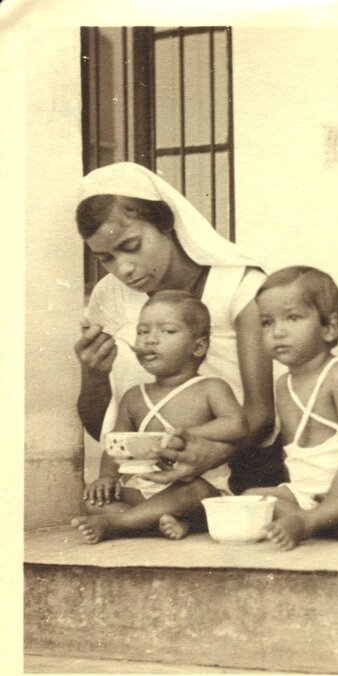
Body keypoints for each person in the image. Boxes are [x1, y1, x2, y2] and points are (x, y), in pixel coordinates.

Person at [73, 162, 281, 495]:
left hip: (247, 458)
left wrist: (210, 455)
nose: (123, 269)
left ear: (166, 222)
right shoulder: (109, 296)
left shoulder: (239, 286)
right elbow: (105, 429)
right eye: (106, 258)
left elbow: (261, 414)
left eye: (131, 246)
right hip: (154, 472)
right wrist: (95, 376)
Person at [243, 267, 338, 550]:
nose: (278, 332)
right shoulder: (282, 385)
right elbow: (295, 458)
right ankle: (321, 521)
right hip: (306, 496)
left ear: (329, 327)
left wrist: (335, 496)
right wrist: (295, 496)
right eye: (267, 322)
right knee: (251, 496)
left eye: (292, 318)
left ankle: (312, 521)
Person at [72, 291, 248, 543]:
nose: (150, 340)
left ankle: (117, 523)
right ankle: (161, 522)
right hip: (146, 487)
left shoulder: (211, 387)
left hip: (195, 486)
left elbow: (237, 425)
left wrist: (185, 435)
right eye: (143, 331)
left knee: (194, 492)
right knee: (93, 501)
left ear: (198, 347)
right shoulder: (134, 396)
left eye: (167, 331)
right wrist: (107, 478)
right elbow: (116, 444)